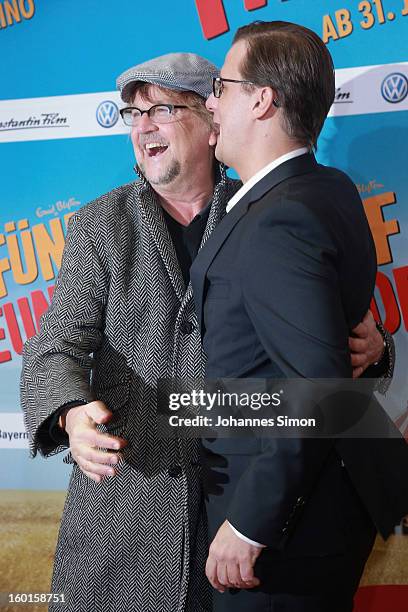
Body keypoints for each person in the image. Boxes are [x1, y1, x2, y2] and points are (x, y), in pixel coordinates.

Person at [20, 51, 391, 612]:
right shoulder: (101, 223)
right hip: (131, 509)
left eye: (161, 109)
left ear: (211, 118)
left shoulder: (265, 205)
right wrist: (71, 413)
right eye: (133, 114)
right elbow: (54, 346)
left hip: (247, 502)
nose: (142, 126)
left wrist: (376, 348)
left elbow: (313, 348)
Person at [190, 21, 408, 612]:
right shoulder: (327, 188)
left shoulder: (279, 220)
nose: (210, 101)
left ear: (262, 100)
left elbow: (317, 388)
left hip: (283, 530)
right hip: (312, 503)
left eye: (222, 86)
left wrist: (251, 524)